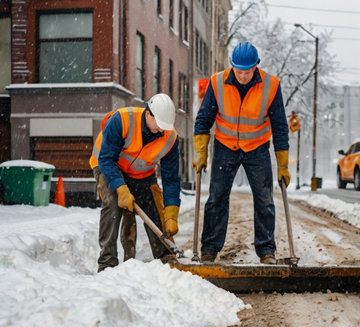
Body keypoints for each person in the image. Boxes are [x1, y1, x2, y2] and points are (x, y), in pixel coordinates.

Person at [192, 41, 290, 265]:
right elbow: (203, 120)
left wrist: (283, 164)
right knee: (217, 197)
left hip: (257, 148)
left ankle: (266, 251)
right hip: (225, 146)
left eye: (247, 71)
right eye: (238, 71)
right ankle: (209, 249)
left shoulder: (271, 86)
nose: (243, 76)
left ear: (256, 66)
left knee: (264, 199)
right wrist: (201, 153)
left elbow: (280, 126)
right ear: (232, 66)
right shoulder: (217, 83)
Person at [90, 93, 181, 272]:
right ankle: (107, 262)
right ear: (148, 114)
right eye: (159, 125)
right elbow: (106, 159)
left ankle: (165, 256)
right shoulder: (122, 120)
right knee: (113, 205)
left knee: (155, 208)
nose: (162, 130)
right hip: (108, 167)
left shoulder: (170, 137)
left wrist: (171, 211)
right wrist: (121, 188)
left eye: (165, 126)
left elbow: (171, 178)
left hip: (142, 174)